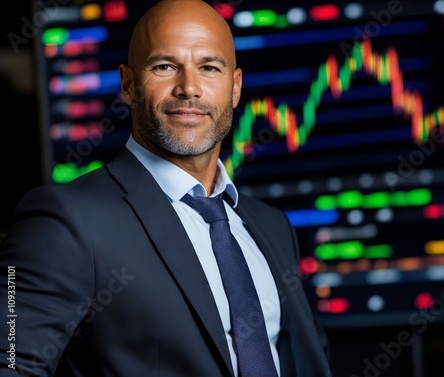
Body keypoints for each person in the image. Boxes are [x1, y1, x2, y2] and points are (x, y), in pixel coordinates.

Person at [0, 0, 333, 376]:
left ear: (235, 87)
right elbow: (11, 362)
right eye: (164, 66)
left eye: (209, 67)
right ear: (128, 85)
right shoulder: (65, 221)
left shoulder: (272, 227)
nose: (188, 87)